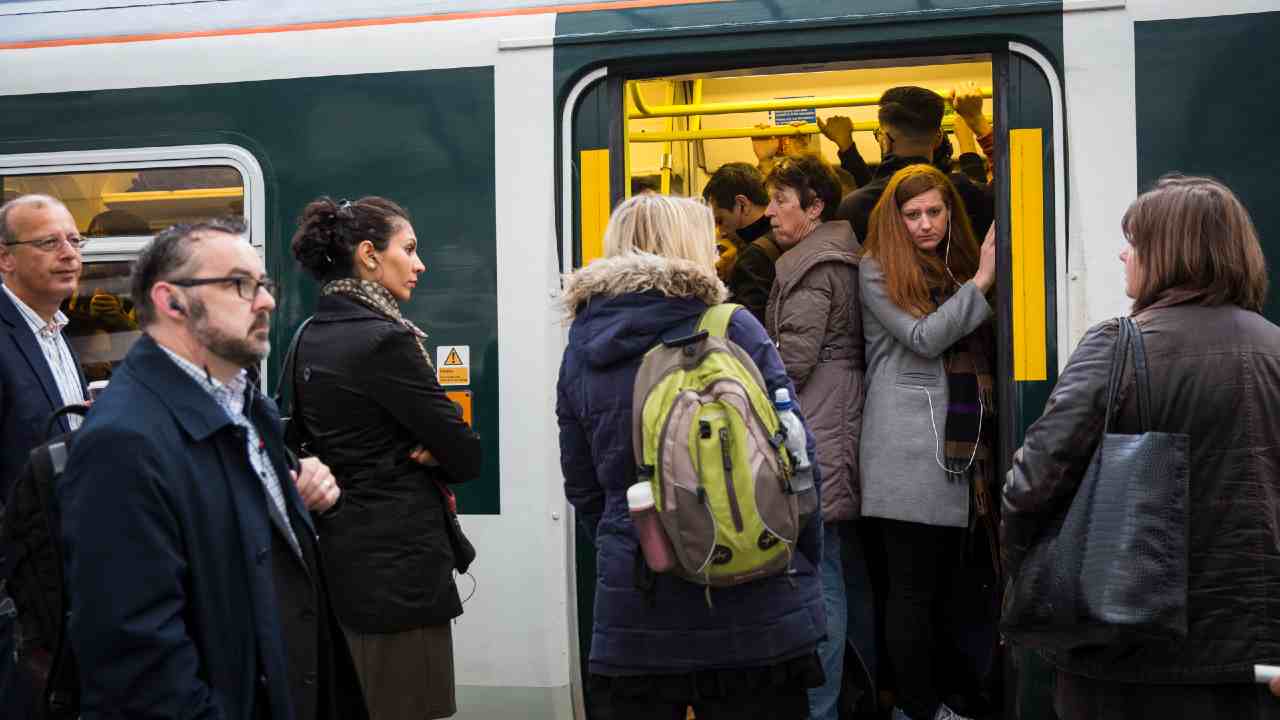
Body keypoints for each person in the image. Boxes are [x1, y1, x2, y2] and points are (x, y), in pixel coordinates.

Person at [57, 218, 367, 720]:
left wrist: (307, 505)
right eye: (240, 284)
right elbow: (138, 663)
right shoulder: (124, 443)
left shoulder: (247, 407)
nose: (265, 301)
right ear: (171, 300)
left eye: (264, 285)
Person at [1002, 175, 1280, 719]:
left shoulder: (1117, 347)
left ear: (1170, 253)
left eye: (1136, 240)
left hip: (1125, 661)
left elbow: (1029, 488)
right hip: (1256, 665)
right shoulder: (1275, 351)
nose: (1122, 253)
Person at [557, 193, 826, 720]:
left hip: (638, 602)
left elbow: (582, 484)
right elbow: (798, 456)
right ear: (691, 247)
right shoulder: (733, 327)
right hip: (755, 598)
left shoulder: (583, 345)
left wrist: (634, 537)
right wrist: (795, 554)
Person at [290, 196, 482, 720]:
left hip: (339, 561)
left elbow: (300, 438)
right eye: (411, 249)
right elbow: (465, 454)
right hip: (400, 574)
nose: (420, 265)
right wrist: (432, 454)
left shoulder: (307, 335)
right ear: (370, 256)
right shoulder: (387, 341)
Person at [859, 165, 997, 720]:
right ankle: (915, 708)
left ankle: (944, 697)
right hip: (905, 445)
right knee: (912, 589)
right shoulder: (874, 269)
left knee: (946, 588)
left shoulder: (952, 264)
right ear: (894, 219)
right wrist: (982, 281)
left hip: (954, 440)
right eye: (912, 215)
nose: (924, 224)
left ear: (949, 213)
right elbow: (924, 337)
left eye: (934, 212)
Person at [761, 155, 873, 720]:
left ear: (815, 207)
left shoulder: (809, 267)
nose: (770, 211)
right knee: (844, 573)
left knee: (821, 579)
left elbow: (791, 360)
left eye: (782, 200)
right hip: (839, 419)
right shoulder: (838, 258)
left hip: (818, 427)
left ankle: (819, 710)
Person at [0, 194, 89, 719]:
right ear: (5, 258)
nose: (69, 254)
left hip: (57, 568)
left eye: (75, 241)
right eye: (48, 242)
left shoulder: (55, 331)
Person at [836, 87, 993, 243]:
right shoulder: (962, 192)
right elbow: (1011, 192)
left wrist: (847, 147)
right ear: (938, 139)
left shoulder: (855, 207)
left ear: (885, 140)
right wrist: (977, 120)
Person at [703, 162, 782, 324]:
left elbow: (745, 328)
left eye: (720, 220)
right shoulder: (784, 235)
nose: (721, 232)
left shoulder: (754, 256)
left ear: (742, 204)